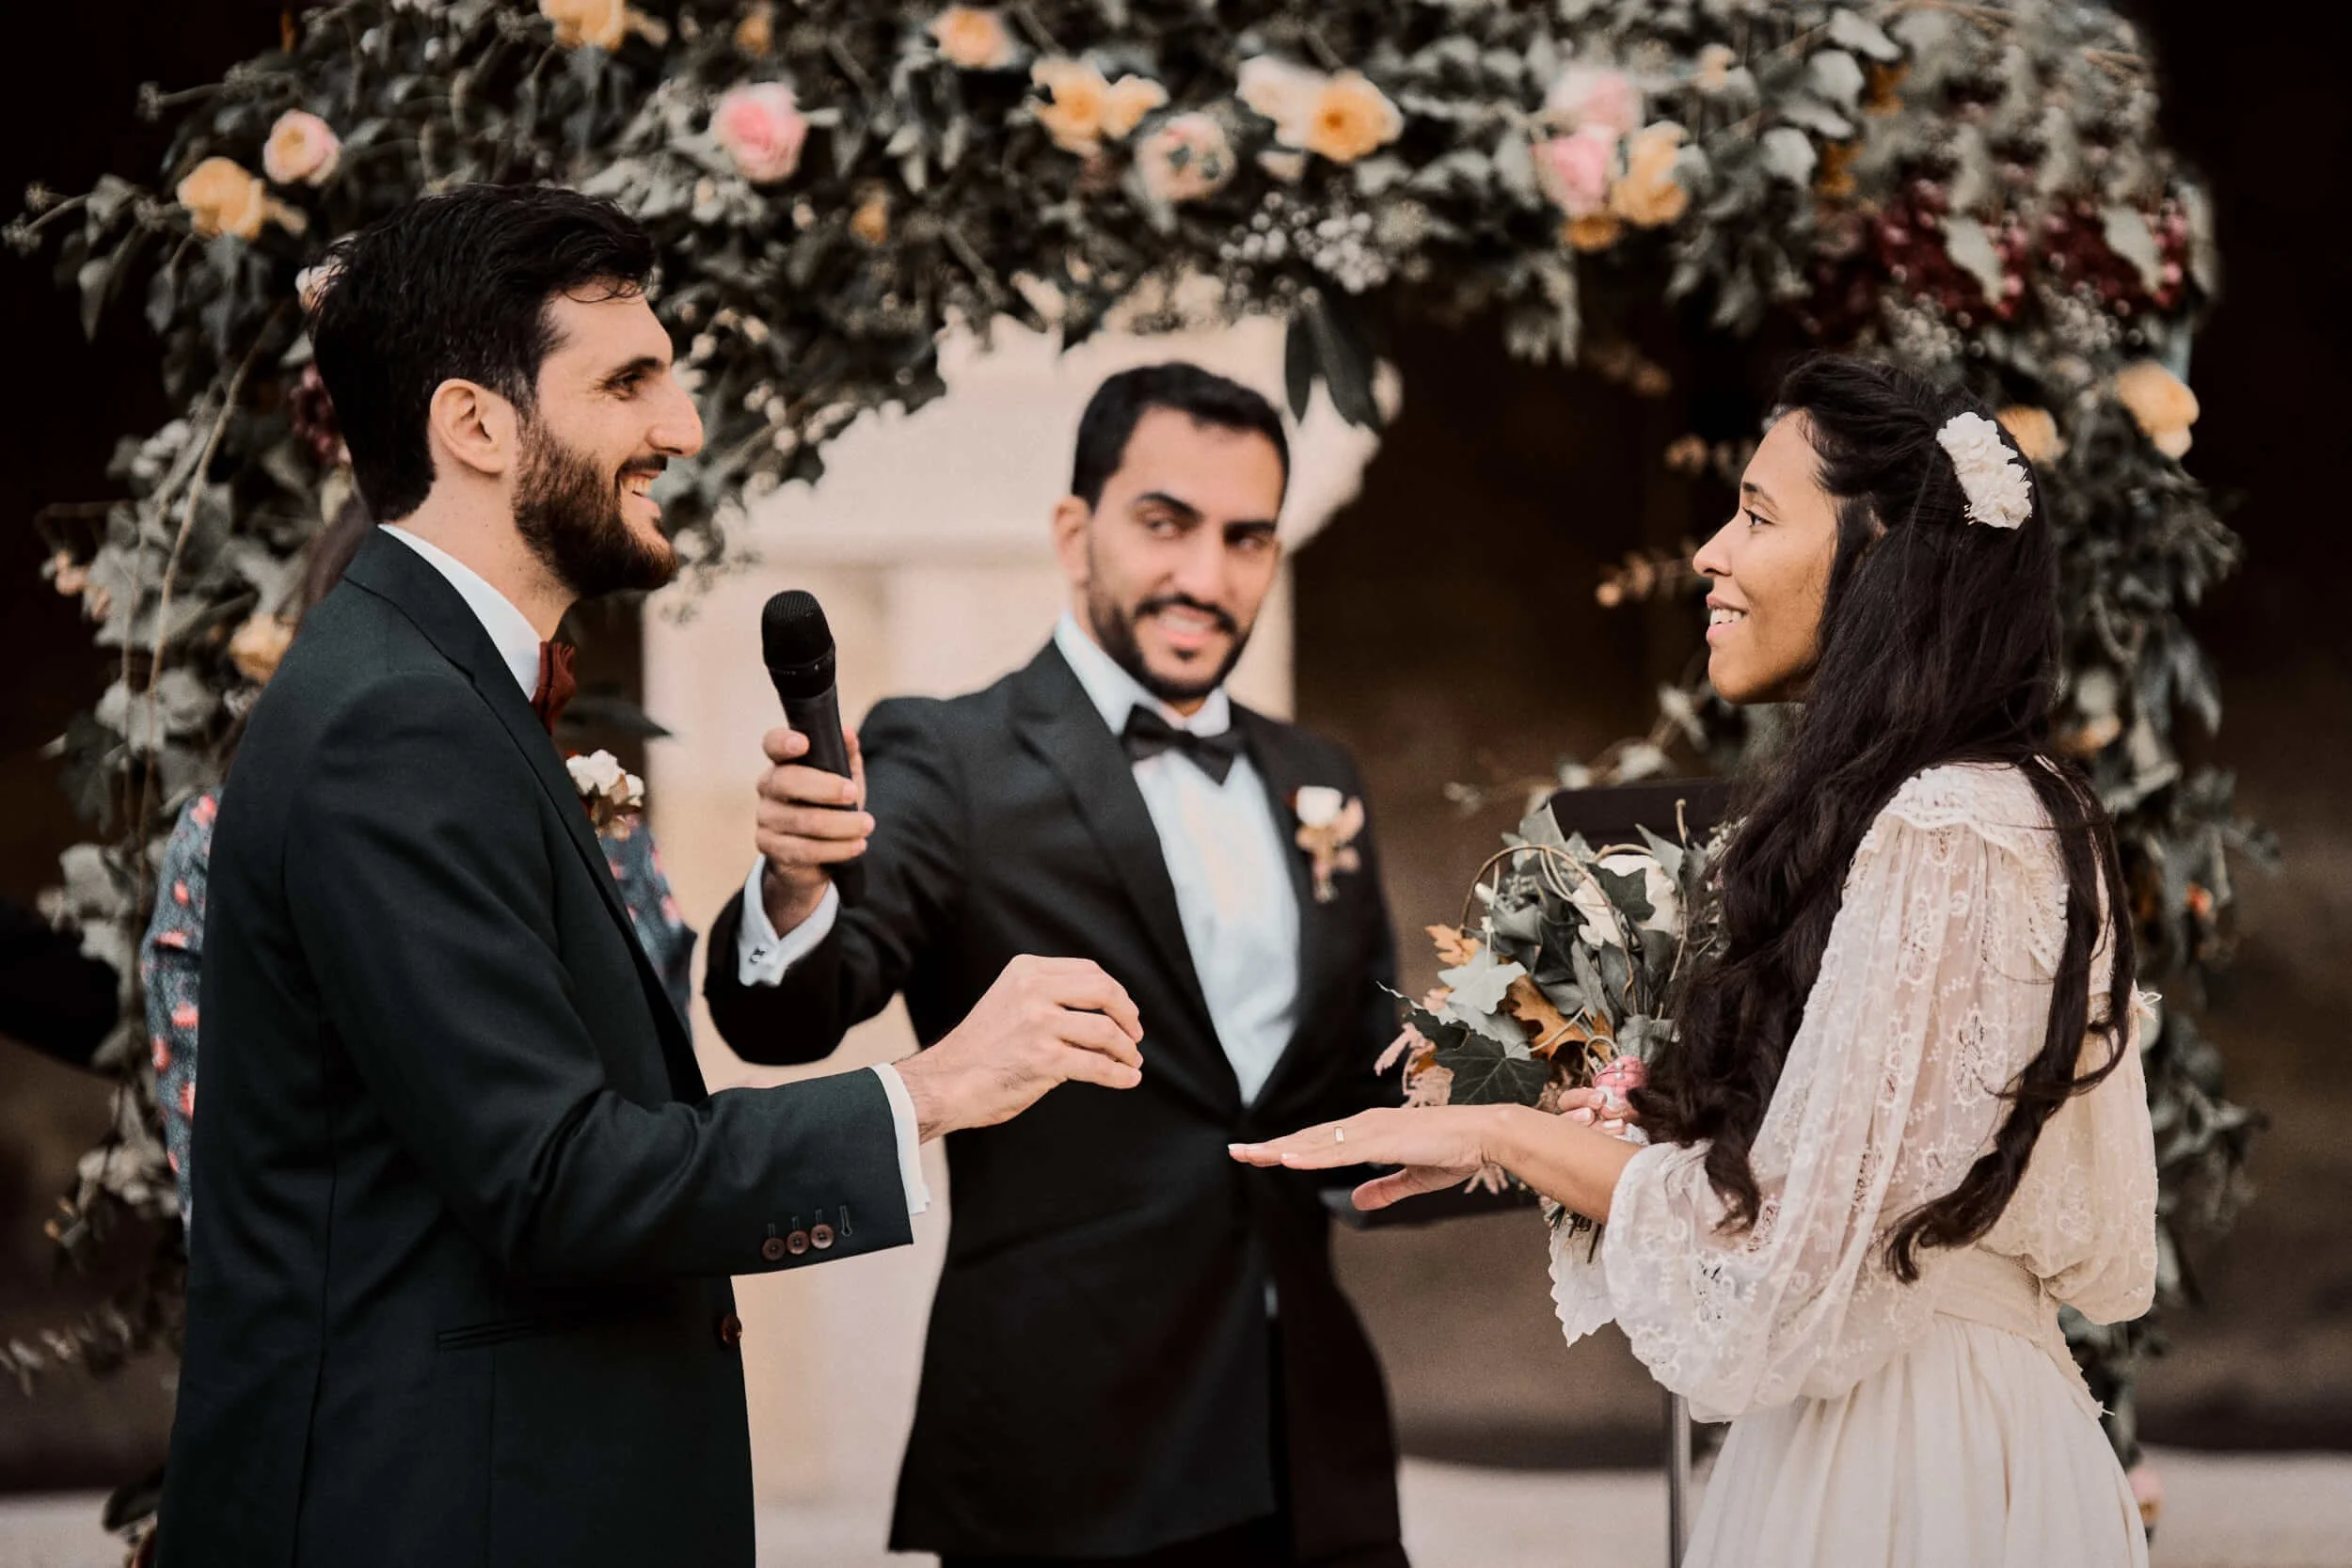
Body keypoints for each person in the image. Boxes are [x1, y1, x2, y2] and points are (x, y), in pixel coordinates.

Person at [159, 184, 1144, 1568]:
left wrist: (787, 901)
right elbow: (553, 1175)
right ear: (477, 426)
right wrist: (929, 1090)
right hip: (434, 1512)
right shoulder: (395, 716)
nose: (679, 427)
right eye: (630, 381)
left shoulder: (436, 685)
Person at [1235, 356, 2159, 1567]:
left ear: (1878, 555)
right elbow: (1826, 1191)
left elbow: (1785, 1265)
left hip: (1913, 1458)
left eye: (1756, 515)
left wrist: (1501, 1136)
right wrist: (1586, 1117)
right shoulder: (1960, 811)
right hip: (1872, 1418)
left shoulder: (1952, 825)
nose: (1707, 555)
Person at [703, 363, 1409, 1568]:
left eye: (1246, 538)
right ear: (1075, 531)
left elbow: (1367, 1082)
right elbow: (786, 1015)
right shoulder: (950, 751)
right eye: (1164, 524)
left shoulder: (1318, 775)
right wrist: (792, 885)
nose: (1205, 575)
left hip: (1313, 1439)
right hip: (1065, 1449)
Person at [140, 499, 697, 1227]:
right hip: (367, 1315)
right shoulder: (232, 838)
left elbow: (667, 1111)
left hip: (622, 1290)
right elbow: (226, 1182)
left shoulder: (608, 832)